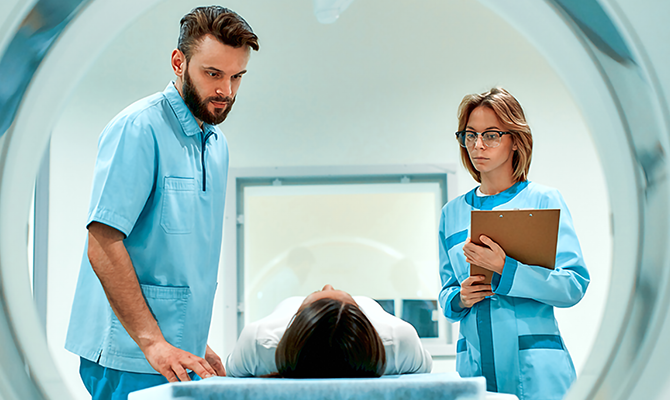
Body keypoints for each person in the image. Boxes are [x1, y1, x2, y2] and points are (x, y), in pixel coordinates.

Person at [61, 6, 259, 400]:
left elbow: (177, 255)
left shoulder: (216, 147)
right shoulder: (139, 128)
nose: (226, 91)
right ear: (178, 62)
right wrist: (153, 341)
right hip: (129, 355)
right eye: (213, 74)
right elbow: (103, 242)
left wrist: (193, 340)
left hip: (175, 353)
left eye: (237, 77)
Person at [437, 87, 591, 400]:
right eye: (470, 135)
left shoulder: (543, 200)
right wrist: (460, 298)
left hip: (536, 369)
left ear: (515, 140)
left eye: (491, 135)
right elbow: (446, 292)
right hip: (475, 366)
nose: (478, 145)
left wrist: (505, 270)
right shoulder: (452, 213)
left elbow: (572, 285)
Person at [226, 285, 432, 378]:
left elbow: (232, 371)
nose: (328, 285)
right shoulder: (398, 339)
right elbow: (425, 369)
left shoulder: (259, 341)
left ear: (295, 319)